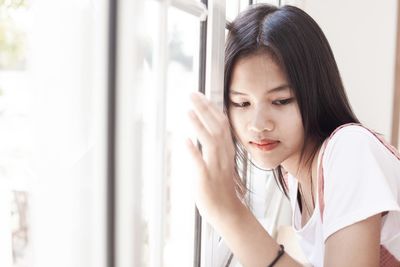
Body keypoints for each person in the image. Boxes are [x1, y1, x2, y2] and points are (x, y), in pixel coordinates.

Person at [185, 3, 400, 267]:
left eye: (281, 101)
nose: (259, 124)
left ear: (315, 94)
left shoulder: (349, 150)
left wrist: (229, 213)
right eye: (242, 103)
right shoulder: (293, 177)